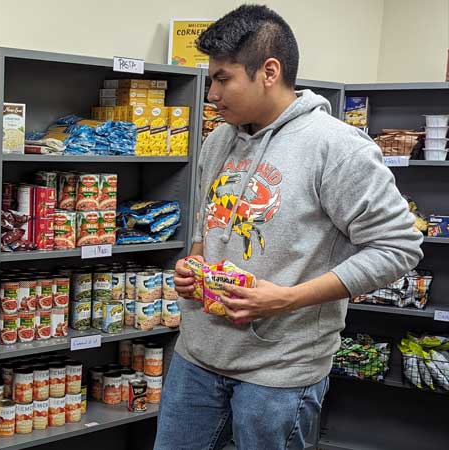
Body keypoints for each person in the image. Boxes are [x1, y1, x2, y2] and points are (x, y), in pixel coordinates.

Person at [154, 4, 423, 450]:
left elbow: (398, 247)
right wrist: (197, 262)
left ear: (269, 71)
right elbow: (212, 218)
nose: (211, 94)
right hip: (197, 357)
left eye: (223, 79)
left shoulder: (337, 147)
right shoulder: (219, 138)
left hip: (280, 372)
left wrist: (286, 299)